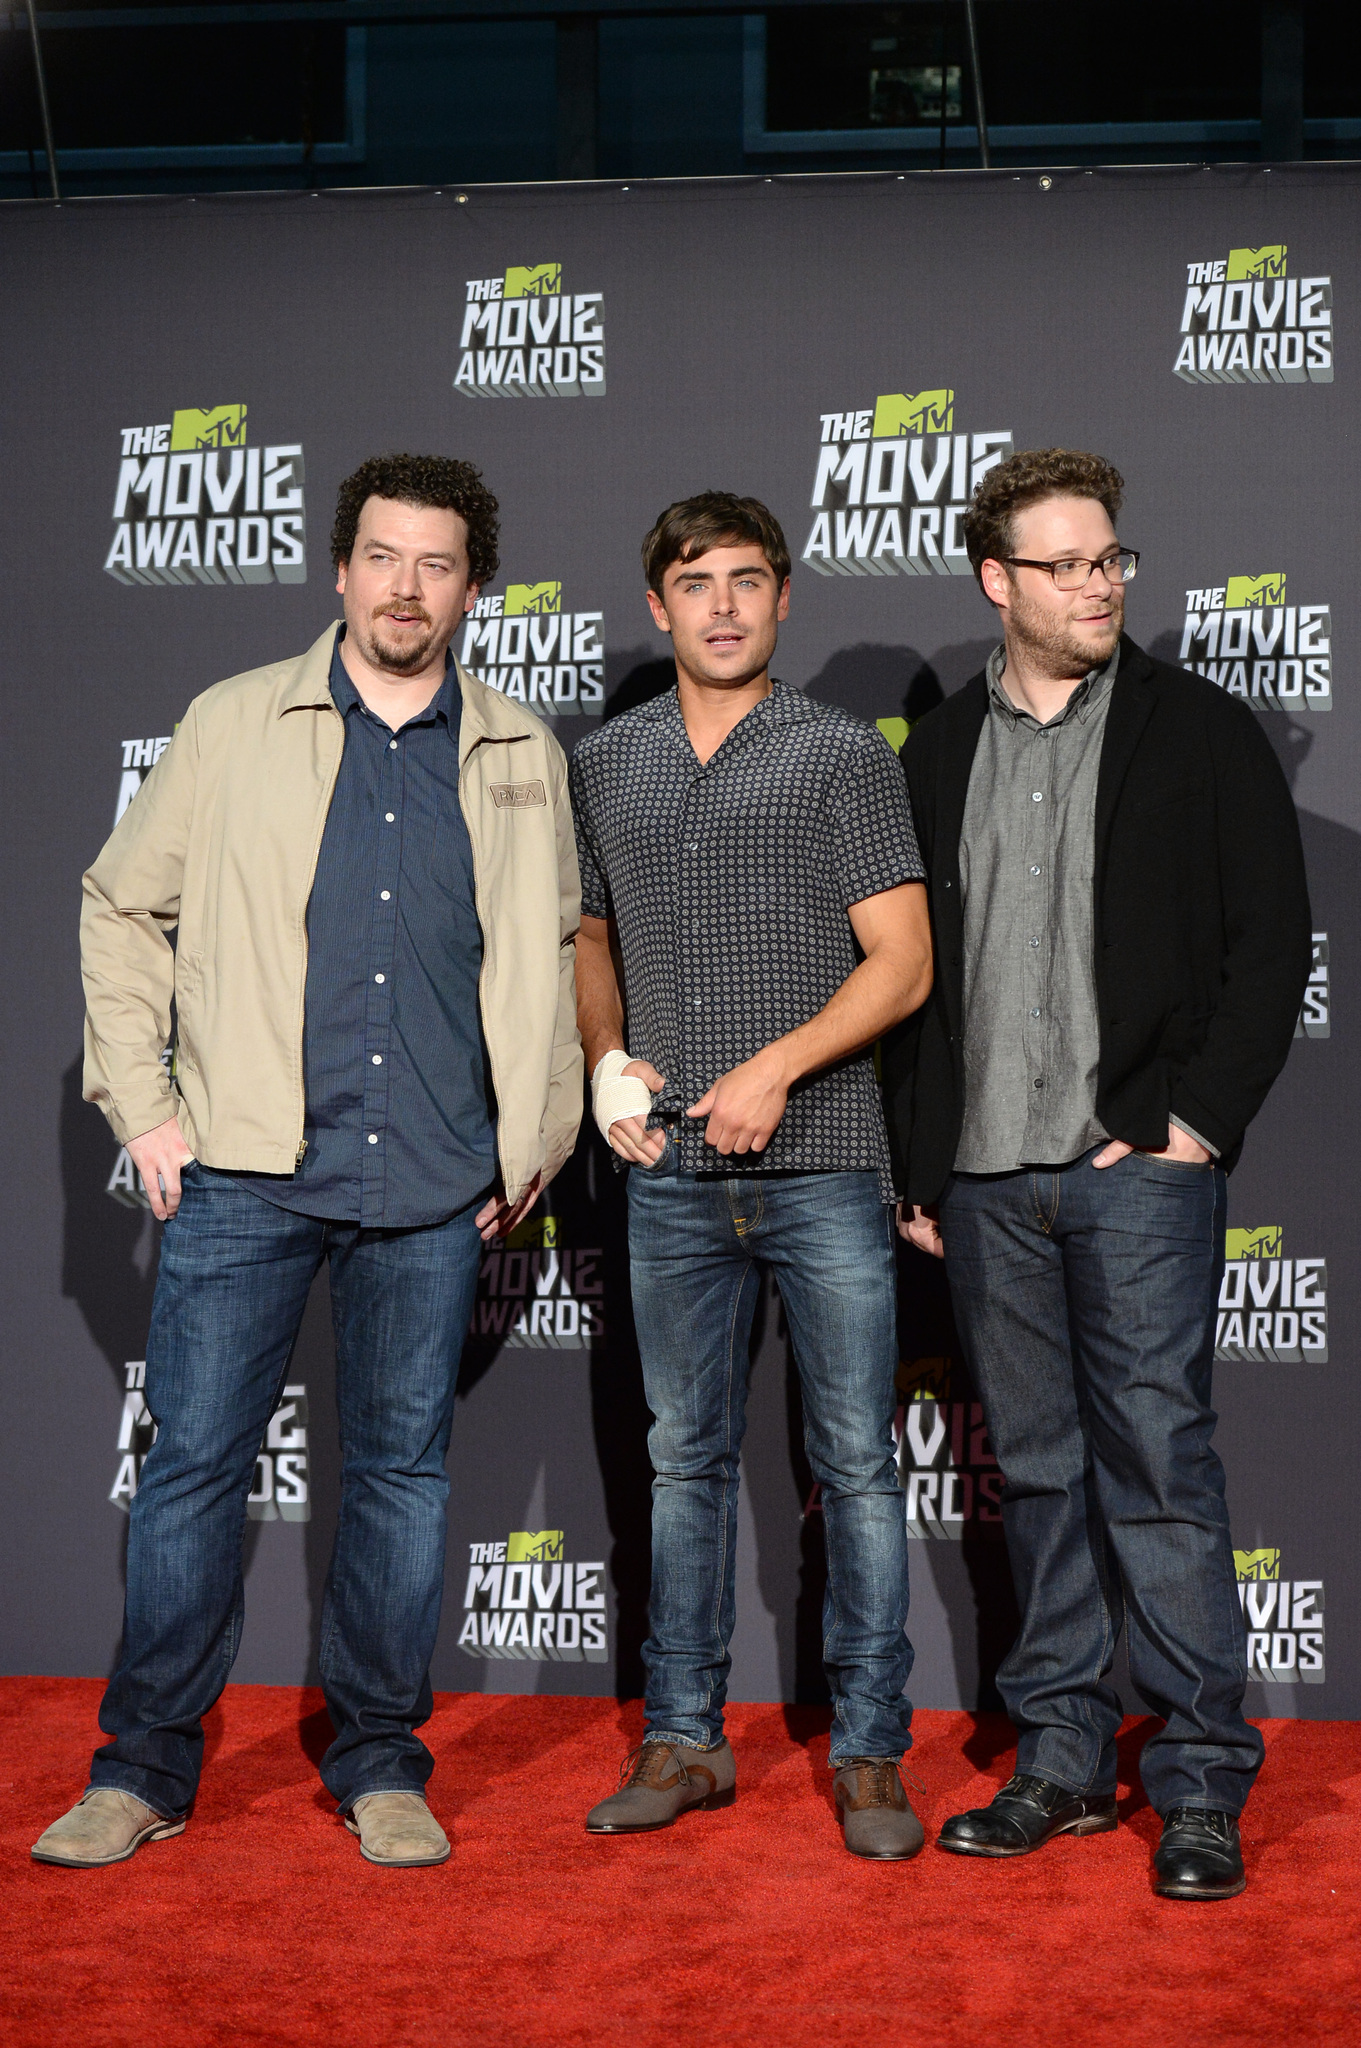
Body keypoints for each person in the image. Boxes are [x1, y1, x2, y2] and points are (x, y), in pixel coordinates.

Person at [33, 454, 582, 1871]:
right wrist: (144, 1107)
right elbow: (118, 904)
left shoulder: (520, 749)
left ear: (475, 587)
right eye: (383, 557)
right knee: (194, 1474)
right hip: (247, 1174)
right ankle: (141, 1767)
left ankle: (382, 1763)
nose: (407, 586)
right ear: (339, 570)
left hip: (437, 1185)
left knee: (400, 1483)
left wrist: (534, 1138)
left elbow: (552, 953)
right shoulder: (232, 722)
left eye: (437, 563)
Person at [884, 448, 1310, 1901]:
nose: (1096, 584)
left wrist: (1192, 1123)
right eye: (1061, 564)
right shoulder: (933, 756)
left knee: (1160, 1473)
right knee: (1044, 1480)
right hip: (988, 1184)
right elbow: (909, 980)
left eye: (1109, 557)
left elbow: (1270, 950)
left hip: (1135, 1173)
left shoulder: (1200, 734)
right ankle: (1062, 1760)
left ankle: (1195, 1781)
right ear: (995, 581)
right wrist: (920, 1163)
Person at [571, 492, 933, 1858]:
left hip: (827, 1163)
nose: (719, 603)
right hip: (662, 1170)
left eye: (744, 579)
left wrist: (779, 1066)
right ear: (655, 606)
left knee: (853, 1465)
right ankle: (683, 1741)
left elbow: (901, 963)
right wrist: (605, 1056)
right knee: (682, 1465)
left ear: (782, 600)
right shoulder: (605, 762)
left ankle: (871, 1753)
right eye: (691, 581)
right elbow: (586, 933)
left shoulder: (841, 754)